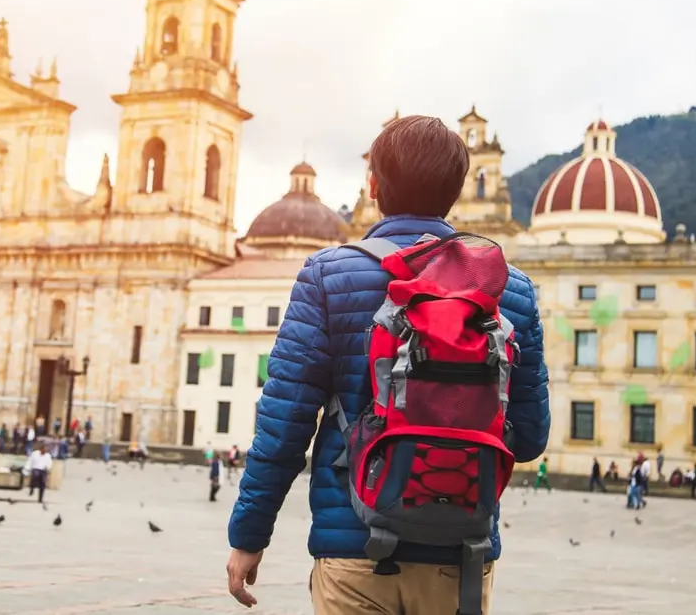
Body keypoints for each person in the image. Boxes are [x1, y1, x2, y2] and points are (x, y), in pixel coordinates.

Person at [225, 116, 550, 614]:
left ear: (373, 185)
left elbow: (284, 423)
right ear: (456, 191)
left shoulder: (325, 276)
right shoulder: (512, 289)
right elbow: (528, 439)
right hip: (461, 554)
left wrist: (249, 533)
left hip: (354, 549)